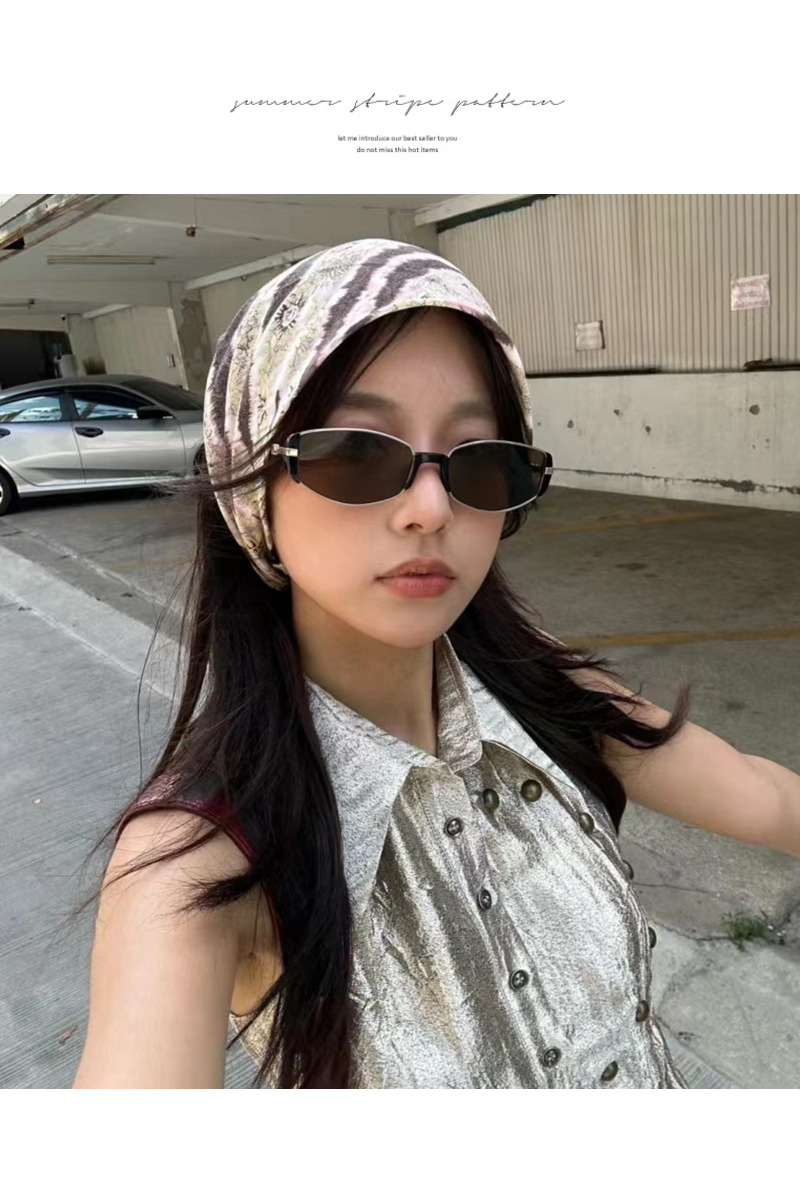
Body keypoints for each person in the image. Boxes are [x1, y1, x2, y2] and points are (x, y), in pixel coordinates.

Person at [72, 237, 799, 1089]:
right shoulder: (205, 853)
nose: (431, 507)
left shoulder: (551, 702)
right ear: (252, 482)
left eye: (479, 460)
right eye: (357, 452)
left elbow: (766, 797)